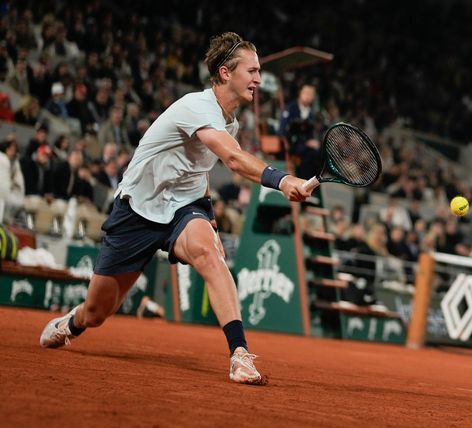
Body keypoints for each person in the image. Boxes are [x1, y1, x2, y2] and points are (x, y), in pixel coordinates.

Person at [39, 32, 311, 385]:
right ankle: (71, 323)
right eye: (252, 71)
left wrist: (207, 211)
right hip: (136, 209)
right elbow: (231, 157)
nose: (259, 79)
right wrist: (282, 179)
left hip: (184, 206)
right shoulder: (197, 106)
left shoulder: (230, 121)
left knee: (210, 253)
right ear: (226, 72)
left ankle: (239, 354)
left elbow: (203, 166)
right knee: (97, 312)